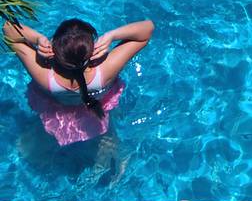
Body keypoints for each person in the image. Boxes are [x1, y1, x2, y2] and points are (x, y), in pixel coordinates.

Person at [4, 17, 154, 145]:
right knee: (109, 133)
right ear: (93, 49)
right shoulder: (107, 69)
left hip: (56, 107)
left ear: (53, 46)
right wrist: (111, 36)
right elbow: (147, 30)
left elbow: (8, 29)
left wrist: (38, 39)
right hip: (97, 105)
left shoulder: (43, 74)